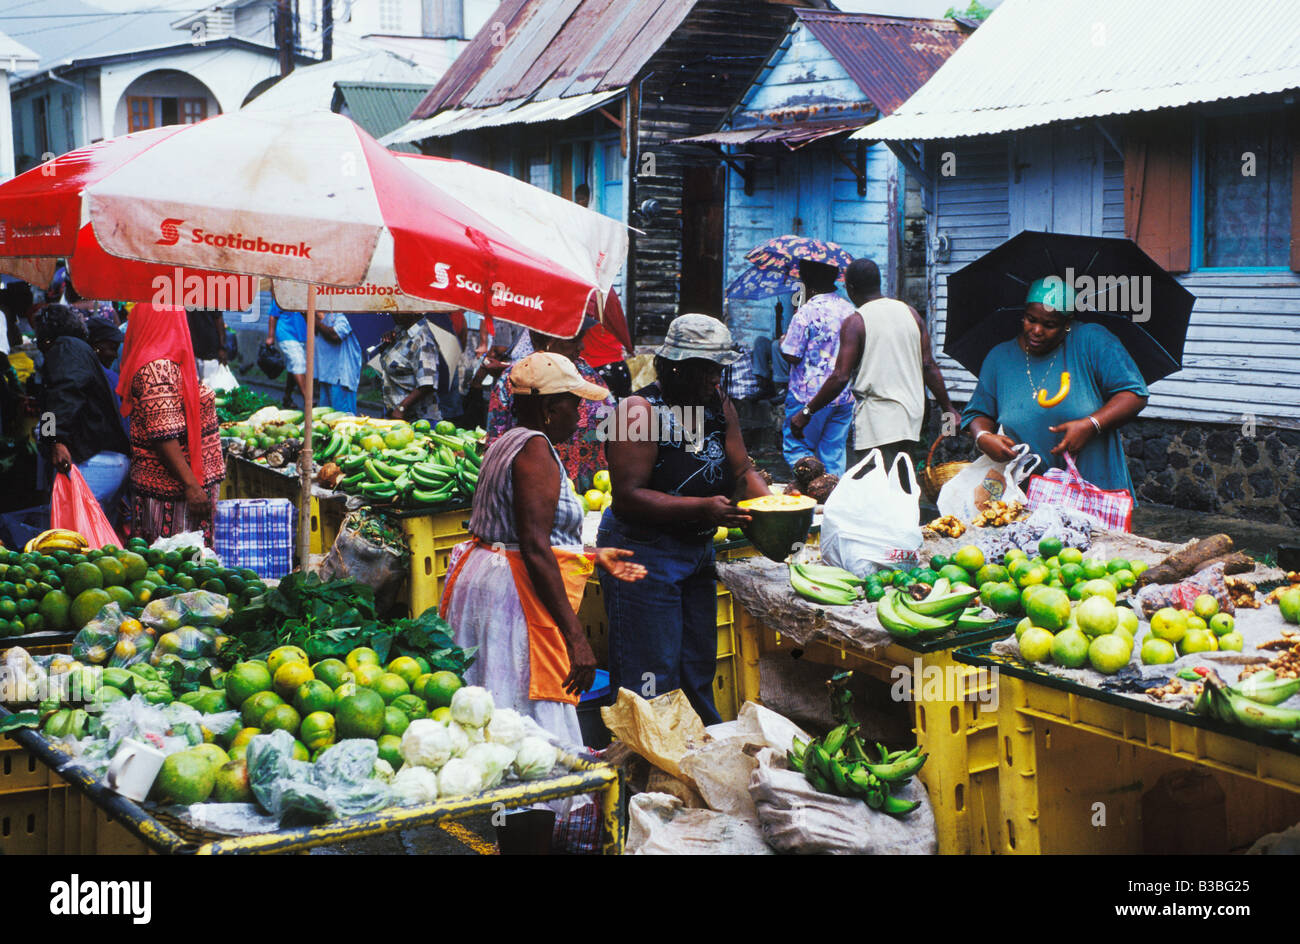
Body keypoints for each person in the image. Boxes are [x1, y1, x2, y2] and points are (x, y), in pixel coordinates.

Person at [441, 352, 645, 745]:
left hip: (490, 581)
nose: (581, 414)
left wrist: (591, 555)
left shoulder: (506, 441)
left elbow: (525, 534)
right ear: (550, 408)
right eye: (575, 403)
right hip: (513, 595)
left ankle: (501, 801)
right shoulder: (535, 451)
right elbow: (534, 548)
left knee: (492, 703)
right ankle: (529, 804)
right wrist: (576, 639)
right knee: (522, 710)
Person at [597, 314, 771, 724]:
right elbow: (628, 497)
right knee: (651, 675)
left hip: (696, 550)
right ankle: (643, 773)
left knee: (697, 666)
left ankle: (694, 764)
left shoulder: (718, 403)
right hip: (644, 552)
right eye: (704, 369)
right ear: (674, 366)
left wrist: (776, 511)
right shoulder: (638, 411)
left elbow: (742, 468)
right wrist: (703, 508)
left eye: (718, 369)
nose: (714, 379)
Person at [962, 277, 1149, 495]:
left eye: (1049, 325)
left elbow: (1134, 394)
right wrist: (983, 437)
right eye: (1031, 320)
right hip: (1030, 494)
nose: (1037, 330)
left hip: (1093, 490)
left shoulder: (1092, 341)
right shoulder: (1000, 358)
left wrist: (1092, 424)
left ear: (1067, 323)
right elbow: (977, 412)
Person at [791, 257, 957, 472]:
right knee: (902, 484)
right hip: (911, 418)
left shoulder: (856, 321)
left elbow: (840, 376)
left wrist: (806, 412)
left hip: (878, 422)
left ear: (850, 288)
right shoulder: (911, 314)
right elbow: (928, 366)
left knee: (876, 490)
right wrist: (948, 409)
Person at [117, 304, 225, 545]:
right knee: (179, 567)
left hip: (174, 491)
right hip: (173, 495)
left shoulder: (163, 364)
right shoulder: (158, 369)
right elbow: (164, 437)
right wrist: (192, 486)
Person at [487, 320, 615, 493]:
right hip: (539, 489)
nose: (582, 346)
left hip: (594, 490)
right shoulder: (516, 381)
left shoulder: (586, 374)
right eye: (573, 341)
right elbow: (496, 444)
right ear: (547, 341)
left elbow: (614, 422)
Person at [35, 305, 132, 525]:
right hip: (107, 459)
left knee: (72, 534)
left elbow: (61, 397)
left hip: (94, 459)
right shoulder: (78, 349)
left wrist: (54, 439)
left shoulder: (65, 348)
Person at [778, 260, 857, 476]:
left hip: (808, 398)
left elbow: (792, 355)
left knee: (798, 450)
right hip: (842, 397)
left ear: (806, 279)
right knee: (833, 455)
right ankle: (829, 502)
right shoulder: (850, 310)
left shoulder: (806, 312)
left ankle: (808, 498)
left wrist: (781, 342)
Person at [375, 312, 441, 422]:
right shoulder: (401, 332)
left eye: (400, 309)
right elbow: (395, 363)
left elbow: (427, 383)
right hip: (394, 411)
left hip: (417, 418)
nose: (394, 313)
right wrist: (386, 346)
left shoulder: (423, 339)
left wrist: (401, 408)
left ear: (414, 311)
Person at [314, 311, 361, 415]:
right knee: (325, 421)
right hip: (326, 374)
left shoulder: (345, 313)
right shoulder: (325, 312)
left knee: (343, 422)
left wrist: (312, 318)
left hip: (340, 377)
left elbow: (335, 335)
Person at [265, 299, 309, 408]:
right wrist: (270, 336)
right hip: (285, 332)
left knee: (293, 367)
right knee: (298, 363)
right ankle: (308, 399)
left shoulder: (306, 293)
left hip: (302, 334)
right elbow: (273, 315)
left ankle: (287, 397)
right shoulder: (282, 294)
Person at [187, 309, 229, 388]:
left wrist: (222, 347)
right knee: (198, 388)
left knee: (211, 387)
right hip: (193, 351)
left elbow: (219, 320)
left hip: (210, 351)